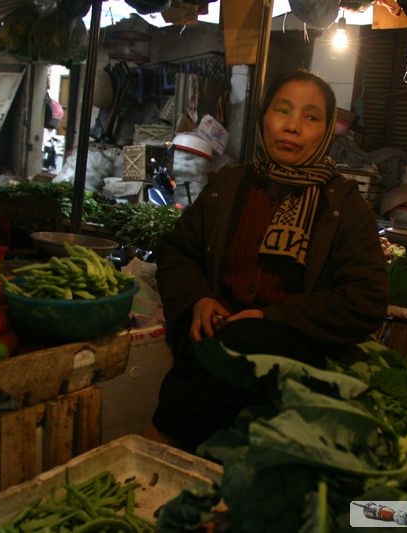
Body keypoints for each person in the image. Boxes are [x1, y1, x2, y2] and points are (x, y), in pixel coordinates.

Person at [149, 69, 389, 451]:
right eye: (283, 111)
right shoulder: (228, 187)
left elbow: (366, 298)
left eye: (311, 117)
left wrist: (272, 318)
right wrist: (199, 299)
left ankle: (164, 439)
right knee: (216, 355)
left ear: (327, 131)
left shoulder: (343, 206)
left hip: (297, 368)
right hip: (214, 351)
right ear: (264, 118)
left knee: (238, 344)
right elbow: (177, 251)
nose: (292, 127)